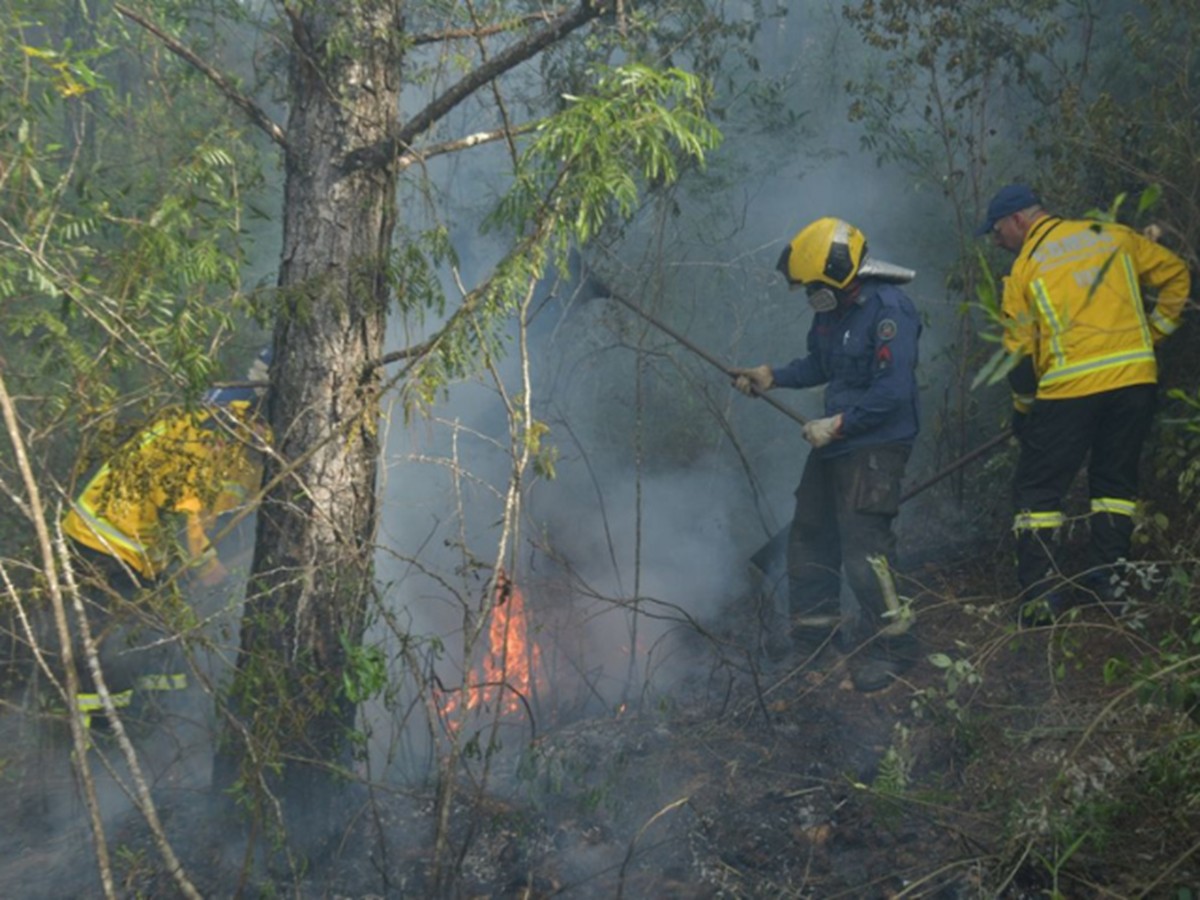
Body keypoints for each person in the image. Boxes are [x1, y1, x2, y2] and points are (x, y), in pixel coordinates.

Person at [977, 184, 1190, 623]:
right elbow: (1177, 277)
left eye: (998, 232)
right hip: (1134, 383)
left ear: (1019, 220)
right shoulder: (1110, 234)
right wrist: (1152, 337)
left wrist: (1023, 409)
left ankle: (1039, 598)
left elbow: (1017, 351)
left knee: (1037, 493)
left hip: (1068, 391)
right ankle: (1107, 581)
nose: (997, 242)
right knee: (1114, 484)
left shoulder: (1025, 269)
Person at [732, 217, 922, 692]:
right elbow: (820, 363)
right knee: (810, 534)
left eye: (814, 285)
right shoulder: (832, 310)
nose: (810, 294)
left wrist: (839, 424)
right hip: (838, 443)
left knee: (865, 551)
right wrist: (771, 375)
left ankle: (895, 645)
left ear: (839, 273)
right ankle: (814, 643)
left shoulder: (889, 310)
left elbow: (893, 393)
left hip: (874, 444)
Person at [60, 347, 271, 728]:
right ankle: (98, 743)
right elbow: (182, 512)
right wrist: (207, 568)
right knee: (110, 648)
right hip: (103, 540)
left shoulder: (246, 428)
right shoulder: (211, 427)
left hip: (144, 548)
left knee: (161, 643)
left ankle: (156, 733)